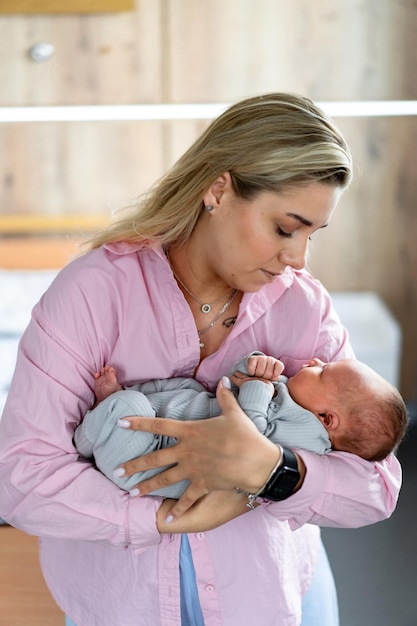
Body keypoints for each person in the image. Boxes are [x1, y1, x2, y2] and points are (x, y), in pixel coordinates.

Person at [0, 93, 403, 626]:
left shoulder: (303, 306)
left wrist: (272, 473)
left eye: (312, 234)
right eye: (285, 228)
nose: (298, 259)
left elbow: (376, 485)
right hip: (126, 605)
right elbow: (22, 481)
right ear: (219, 188)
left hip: (268, 596)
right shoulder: (94, 293)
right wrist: (168, 518)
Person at [74, 352, 408, 499]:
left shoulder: (310, 436)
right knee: (184, 390)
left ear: (327, 418)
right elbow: (232, 384)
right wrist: (252, 367)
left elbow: (246, 438)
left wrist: (259, 386)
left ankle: (86, 441)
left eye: (324, 371)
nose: (314, 362)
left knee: (128, 408)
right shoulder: (296, 400)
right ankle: (110, 415)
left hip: (153, 461)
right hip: (170, 427)